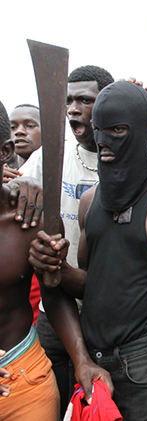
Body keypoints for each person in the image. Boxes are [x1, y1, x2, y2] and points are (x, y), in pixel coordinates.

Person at [29, 81, 147, 420]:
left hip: (145, 362)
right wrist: (57, 269)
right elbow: (91, 286)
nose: (104, 141)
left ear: (143, 131)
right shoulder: (90, 200)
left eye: (117, 129)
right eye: (98, 129)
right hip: (92, 360)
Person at [15, 65, 113, 416]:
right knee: (50, 402)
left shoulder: (120, 162)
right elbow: (13, 194)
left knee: (95, 404)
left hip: (104, 314)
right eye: (68, 100)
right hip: (53, 309)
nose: (73, 108)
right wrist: (20, 187)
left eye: (84, 100)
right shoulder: (48, 157)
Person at [0, 100, 60, 421]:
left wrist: (81, 360)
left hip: (24, 376)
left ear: (4, 150)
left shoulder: (29, 217)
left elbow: (54, 293)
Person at [5, 104, 41, 173]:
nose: (19, 131)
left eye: (30, 126)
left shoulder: (64, 168)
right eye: (12, 127)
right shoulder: (3, 169)